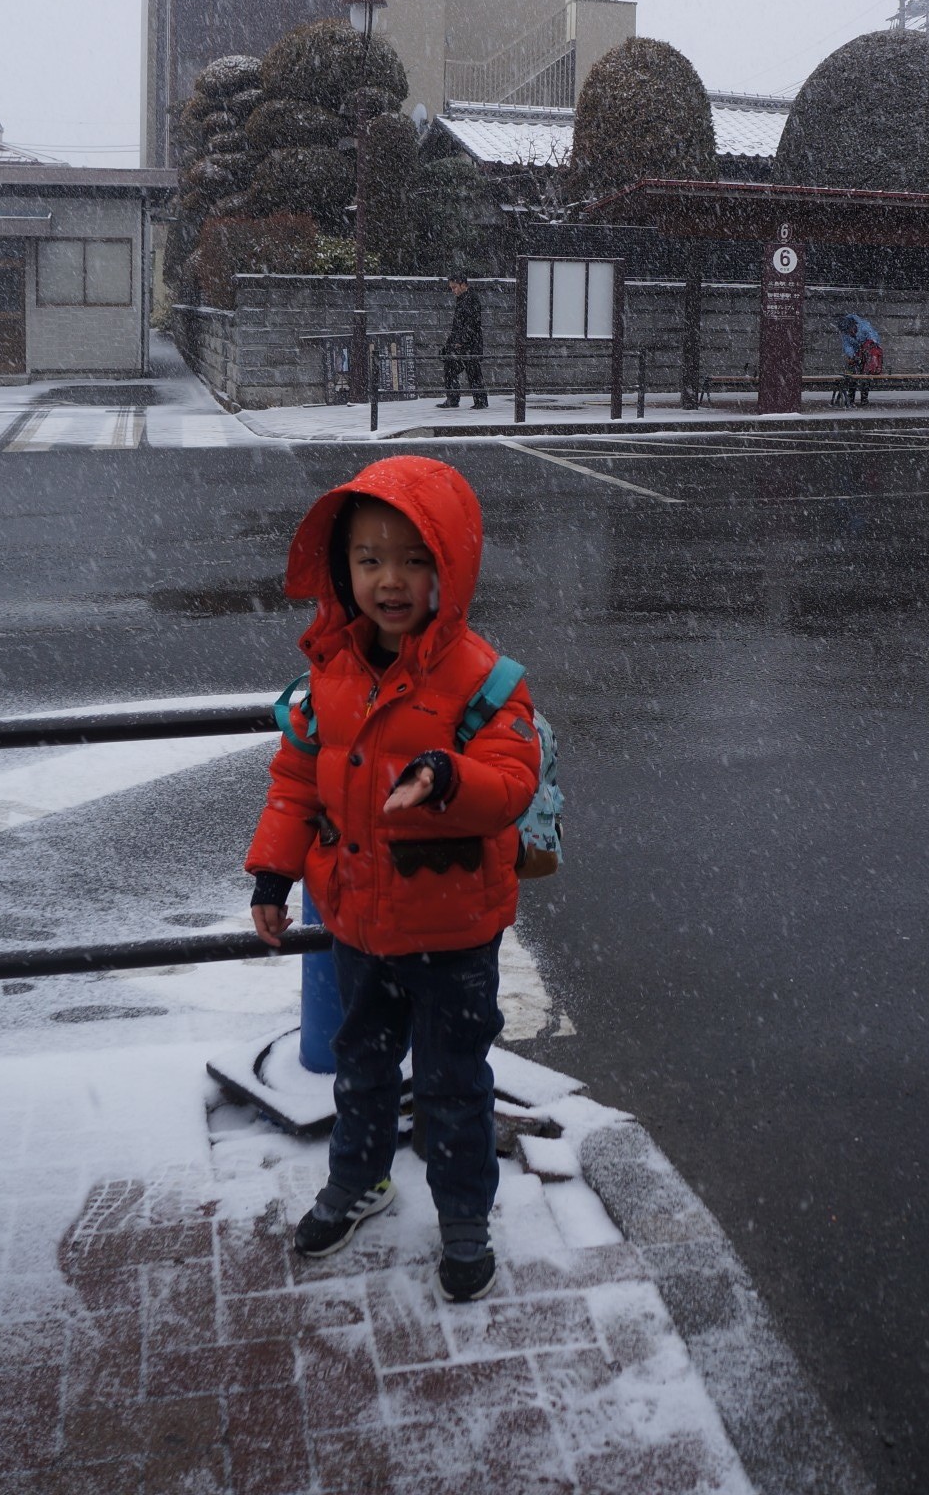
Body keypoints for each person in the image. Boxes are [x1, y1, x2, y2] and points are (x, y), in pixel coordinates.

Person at [246, 456, 540, 1302]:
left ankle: (462, 1217)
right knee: (362, 1069)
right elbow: (296, 782)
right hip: (360, 925)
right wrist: (272, 874)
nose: (391, 580)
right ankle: (360, 1181)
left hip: (452, 931)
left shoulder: (484, 680)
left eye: (415, 560)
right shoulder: (330, 674)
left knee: (453, 1082)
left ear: (450, 567)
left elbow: (510, 782)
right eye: (369, 560)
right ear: (343, 570)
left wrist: (448, 778)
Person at [439, 271, 487, 409]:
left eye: (454, 287)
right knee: (454, 368)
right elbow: (459, 325)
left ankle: (477, 400)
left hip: (469, 344)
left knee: (472, 372)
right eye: (451, 288)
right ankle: (458, 399)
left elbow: (472, 324)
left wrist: (461, 341)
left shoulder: (471, 299)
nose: (453, 290)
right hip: (463, 343)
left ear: (463, 285)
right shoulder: (463, 299)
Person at [836, 312, 883, 406]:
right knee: (851, 374)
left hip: (867, 354)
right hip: (857, 354)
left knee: (866, 376)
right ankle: (850, 398)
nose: (849, 333)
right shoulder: (846, 334)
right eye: (847, 332)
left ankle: (864, 399)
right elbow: (847, 346)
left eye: (850, 330)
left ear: (854, 325)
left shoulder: (864, 327)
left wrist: (868, 348)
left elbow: (873, 337)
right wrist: (852, 355)